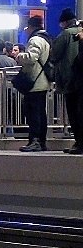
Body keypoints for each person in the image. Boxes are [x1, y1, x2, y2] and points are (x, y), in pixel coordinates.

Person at [17, 15, 53, 152]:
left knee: (33, 113)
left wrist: (20, 56)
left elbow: (32, 57)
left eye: (27, 28)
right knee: (40, 112)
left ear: (31, 27)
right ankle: (41, 141)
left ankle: (35, 141)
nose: (26, 30)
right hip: (42, 81)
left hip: (35, 81)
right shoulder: (46, 38)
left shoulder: (35, 39)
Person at [50, 8, 82, 141]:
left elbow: (54, 55)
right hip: (79, 78)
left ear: (65, 22)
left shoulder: (65, 35)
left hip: (69, 78)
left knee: (73, 112)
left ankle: (79, 142)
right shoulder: (80, 32)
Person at [65, 31, 83, 154]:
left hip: (80, 85)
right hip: (77, 85)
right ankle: (79, 142)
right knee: (76, 113)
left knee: (79, 114)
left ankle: (81, 144)